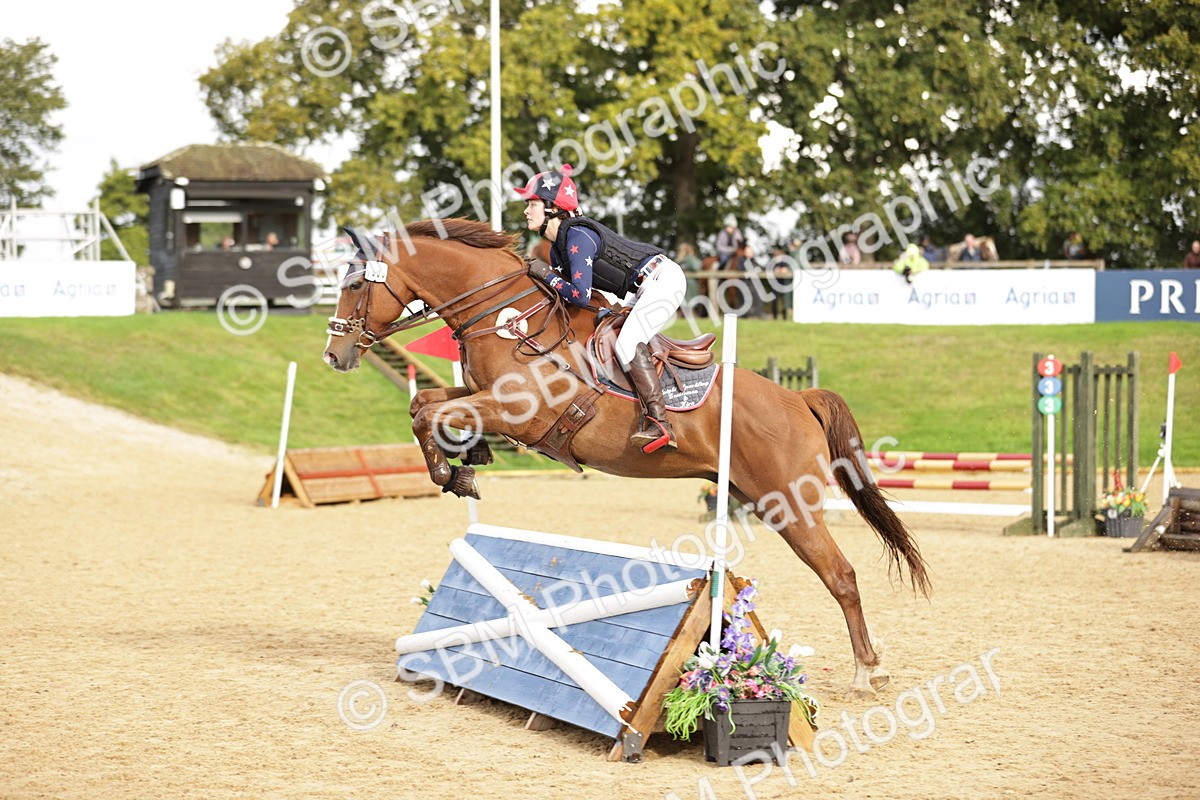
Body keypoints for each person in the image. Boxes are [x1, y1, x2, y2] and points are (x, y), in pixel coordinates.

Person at [516, 164, 686, 453]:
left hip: (663, 281)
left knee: (627, 344)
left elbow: (579, 296)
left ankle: (660, 423)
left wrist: (545, 274)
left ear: (552, 207)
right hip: (642, 287)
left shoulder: (577, 237)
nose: (526, 211)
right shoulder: (559, 244)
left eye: (531, 203)